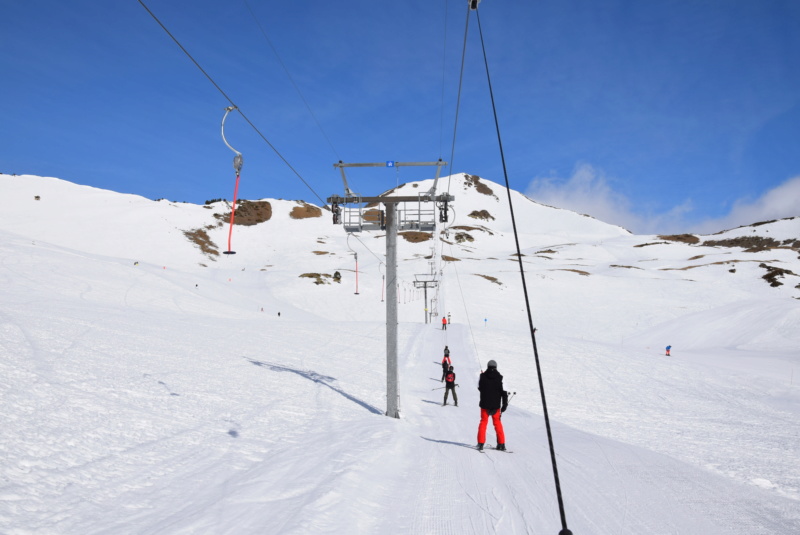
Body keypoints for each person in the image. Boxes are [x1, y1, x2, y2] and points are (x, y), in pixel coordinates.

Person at [477, 359, 508, 451]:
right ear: (496, 367)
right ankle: (501, 444)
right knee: (497, 424)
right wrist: (504, 405)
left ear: (488, 366)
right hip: (496, 406)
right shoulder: (501, 378)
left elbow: (479, 388)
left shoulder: (482, 376)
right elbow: (504, 392)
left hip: (484, 405)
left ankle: (481, 443)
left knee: (483, 422)